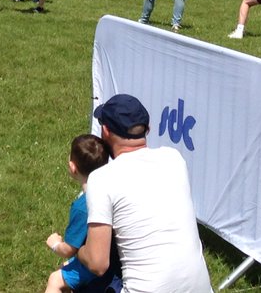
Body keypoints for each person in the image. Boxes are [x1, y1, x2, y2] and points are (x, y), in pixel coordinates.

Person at [77, 94, 212, 293]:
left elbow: (98, 264)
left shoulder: (101, 179)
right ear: (147, 130)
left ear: (105, 131)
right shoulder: (174, 158)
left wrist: (78, 251)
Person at [43, 134, 113, 293]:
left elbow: (69, 249)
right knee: (67, 268)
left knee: (55, 279)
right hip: (112, 257)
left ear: (72, 167)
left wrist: (55, 244)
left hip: (95, 263)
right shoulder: (111, 191)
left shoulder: (83, 206)